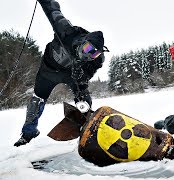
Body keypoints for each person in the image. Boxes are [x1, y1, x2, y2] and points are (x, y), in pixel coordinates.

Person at [14, 0, 109, 147]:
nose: (89, 56)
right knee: (37, 98)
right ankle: (29, 132)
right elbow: (53, 11)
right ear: (84, 42)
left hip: (72, 76)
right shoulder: (67, 32)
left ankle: (83, 125)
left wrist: (81, 77)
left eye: (94, 54)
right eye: (88, 49)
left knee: (84, 99)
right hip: (49, 70)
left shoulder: (96, 61)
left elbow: (85, 81)